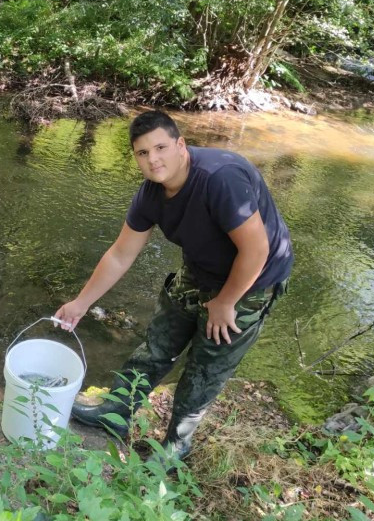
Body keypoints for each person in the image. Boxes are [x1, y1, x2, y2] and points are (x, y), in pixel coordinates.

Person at [54, 110, 292, 466]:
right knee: (159, 340)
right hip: (201, 269)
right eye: (142, 153)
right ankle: (116, 411)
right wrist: (81, 303)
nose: (153, 159)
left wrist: (226, 302)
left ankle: (177, 445)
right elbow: (120, 254)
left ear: (181, 145)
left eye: (161, 147)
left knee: (206, 363)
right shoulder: (151, 195)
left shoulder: (219, 179)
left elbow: (257, 250)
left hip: (252, 280)